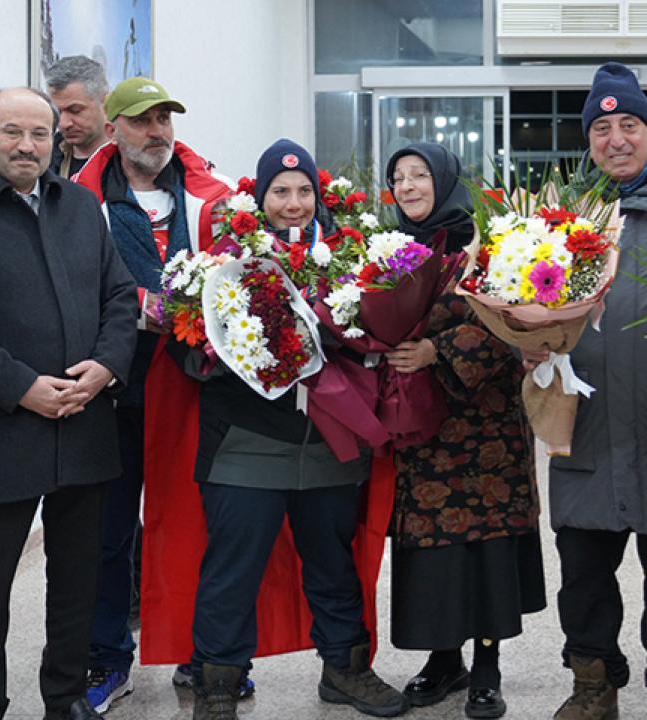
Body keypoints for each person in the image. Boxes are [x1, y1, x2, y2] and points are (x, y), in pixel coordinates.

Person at [0, 86, 138, 720]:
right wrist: (23, 388)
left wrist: (106, 367)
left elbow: (120, 298)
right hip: (0, 430)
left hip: (84, 426)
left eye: (40, 134)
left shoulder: (82, 206)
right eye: (13, 132)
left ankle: (63, 698)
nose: (28, 145)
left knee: (75, 584)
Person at [179, 138, 407, 720]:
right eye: (280, 191)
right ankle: (219, 684)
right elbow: (193, 352)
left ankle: (346, 670)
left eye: (304, 190)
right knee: (234, 568)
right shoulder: (224, 261)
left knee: (334, 562)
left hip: (330, 441)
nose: (294, 203)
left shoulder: (350, 255)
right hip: (244, 444)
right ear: (259, 197)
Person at [524, 62, 647, 720]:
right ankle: (592, 686)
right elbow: (527, 298)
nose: (615, 138)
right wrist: (525, 341)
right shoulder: (565, 213)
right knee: (581, 571)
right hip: (588, 423)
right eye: (600, 128)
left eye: (627, 124)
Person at [70, 75, 237, 713]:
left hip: (195, 386)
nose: (157, 131)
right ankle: (107, 660)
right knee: (107, 535)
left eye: (164, 118)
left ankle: (204, 654)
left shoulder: (210, 197)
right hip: (111, 390)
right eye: (141, 120)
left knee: (195, 525)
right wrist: (142, 306)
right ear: (113, 129)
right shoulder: (79, 201)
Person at [382, 142, 545, 720]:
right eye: (398, 178)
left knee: (484, 550)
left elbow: (516, 320)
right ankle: (443, 659)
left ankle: (487, 667)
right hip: (422, 431)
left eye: (419, 175)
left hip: (486, 430)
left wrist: (436, 350)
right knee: (433, 548)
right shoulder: (388, 251)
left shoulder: (489, 246)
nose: (407, 187)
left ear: (444, 180)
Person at [45, 55, 109, 178]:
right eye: (57, 112)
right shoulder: (43, 161)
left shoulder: (132, 159)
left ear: (104, 101)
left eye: (75, 110)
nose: (63, 123)